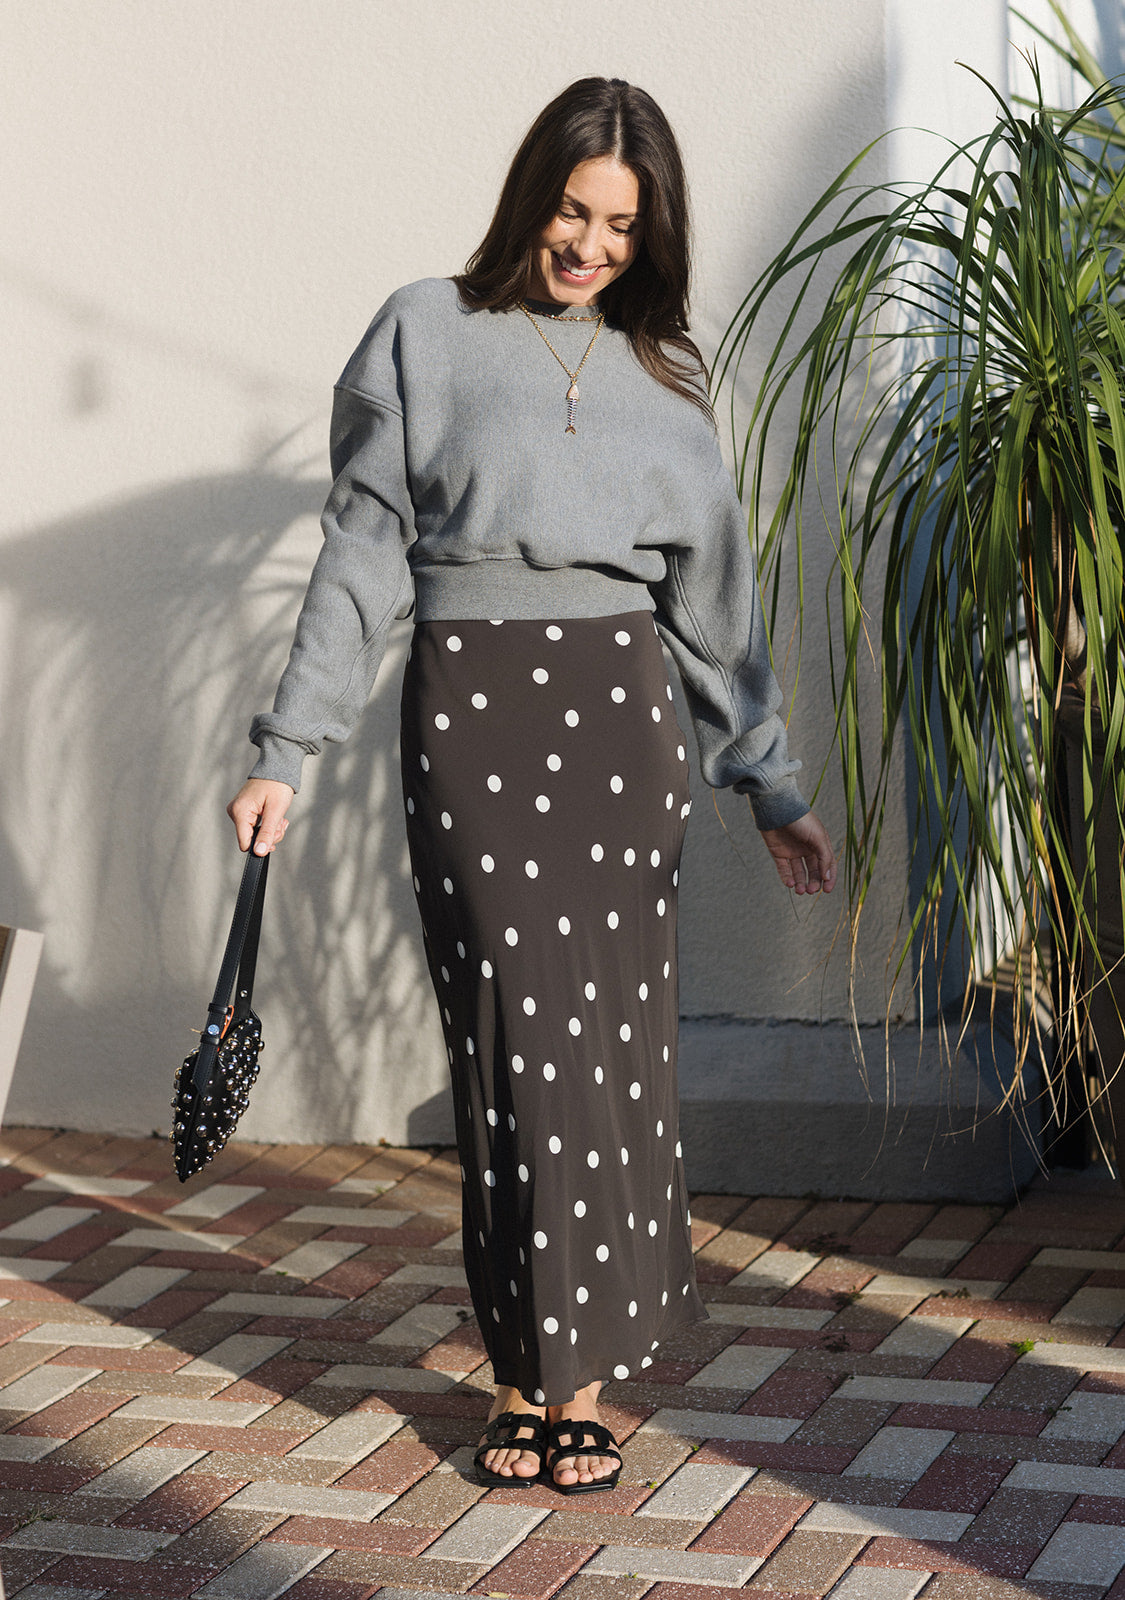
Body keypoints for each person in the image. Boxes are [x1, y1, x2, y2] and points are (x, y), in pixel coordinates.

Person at [228, 76, 836, 1495]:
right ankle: (526, 1369)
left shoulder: (663, 377)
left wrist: (769, 783)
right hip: (474, 716)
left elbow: (713, 611)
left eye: (622, 227)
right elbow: (361, 551)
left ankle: (581, 1383)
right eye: (573, 212)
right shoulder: (422, 331)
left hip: (620, 726)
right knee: (512, 1045)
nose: (591, 247)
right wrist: (286, 748)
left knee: (610, 1054)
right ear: (530, 196)